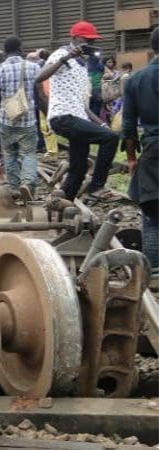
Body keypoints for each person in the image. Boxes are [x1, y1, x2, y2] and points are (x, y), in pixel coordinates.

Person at [36, 20, 120, 203]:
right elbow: (40, 77)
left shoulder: (84, 66)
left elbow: (83, 106)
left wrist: (102, 123)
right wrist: (66, 58)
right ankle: (97, 187)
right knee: (110, 138)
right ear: (75, 38)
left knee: (78, 169)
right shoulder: (62, 54)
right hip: (63, 116)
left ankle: (62, 204)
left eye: (92, 41)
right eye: (86, 40)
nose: (90, 44)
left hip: (77, 116)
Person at [0, 37, 41, 200]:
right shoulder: (34, 67)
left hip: (7, 120)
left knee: (9, 154)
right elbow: (41, 96)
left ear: (4, 51)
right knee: (28, 154)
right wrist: (48, 116)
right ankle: (28, 184)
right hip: (27, 120)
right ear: (20, 49)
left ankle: (14, 187)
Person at [121, 27, 159, 283]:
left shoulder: (135, 80)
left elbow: (128, 126)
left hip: (153, 151)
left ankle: (154, 272)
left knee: (152, 213)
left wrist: (132, 159)